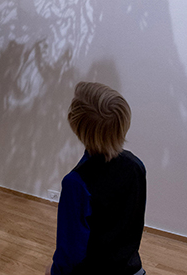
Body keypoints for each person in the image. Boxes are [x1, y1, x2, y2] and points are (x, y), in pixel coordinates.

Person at [46, 82, 147, 275]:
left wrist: (53, 272)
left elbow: (70, 252)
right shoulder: (136, 166)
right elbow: (134, 225)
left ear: (76, 126)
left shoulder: (76, 183)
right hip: (131, 269)